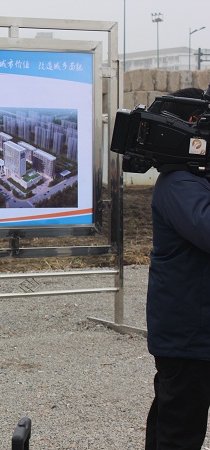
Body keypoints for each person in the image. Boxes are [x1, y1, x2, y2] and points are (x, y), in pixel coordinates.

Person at [144, 87, 210, 449]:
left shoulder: (195, 178)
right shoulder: (180, 182)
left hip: (195, 332)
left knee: (172, 421)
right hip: (189, 337)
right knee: (179, 430)